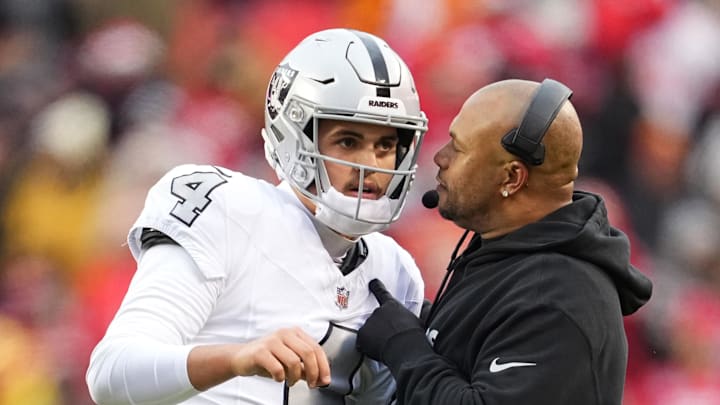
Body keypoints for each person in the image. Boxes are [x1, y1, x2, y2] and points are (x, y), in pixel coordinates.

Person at [86, 28, 428, 404]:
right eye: (348, 142)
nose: (370, 165)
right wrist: (237, 357)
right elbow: (111, 376)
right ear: (297, 139)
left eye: (386, 145)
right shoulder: (229, 211)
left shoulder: (395, 272)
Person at [356, 78, 653, 404]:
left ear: (512, 178)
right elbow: (471, 355)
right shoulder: (508, 251)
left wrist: (403, 346)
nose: (440, 157)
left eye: (458, 146)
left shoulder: (558, 297)